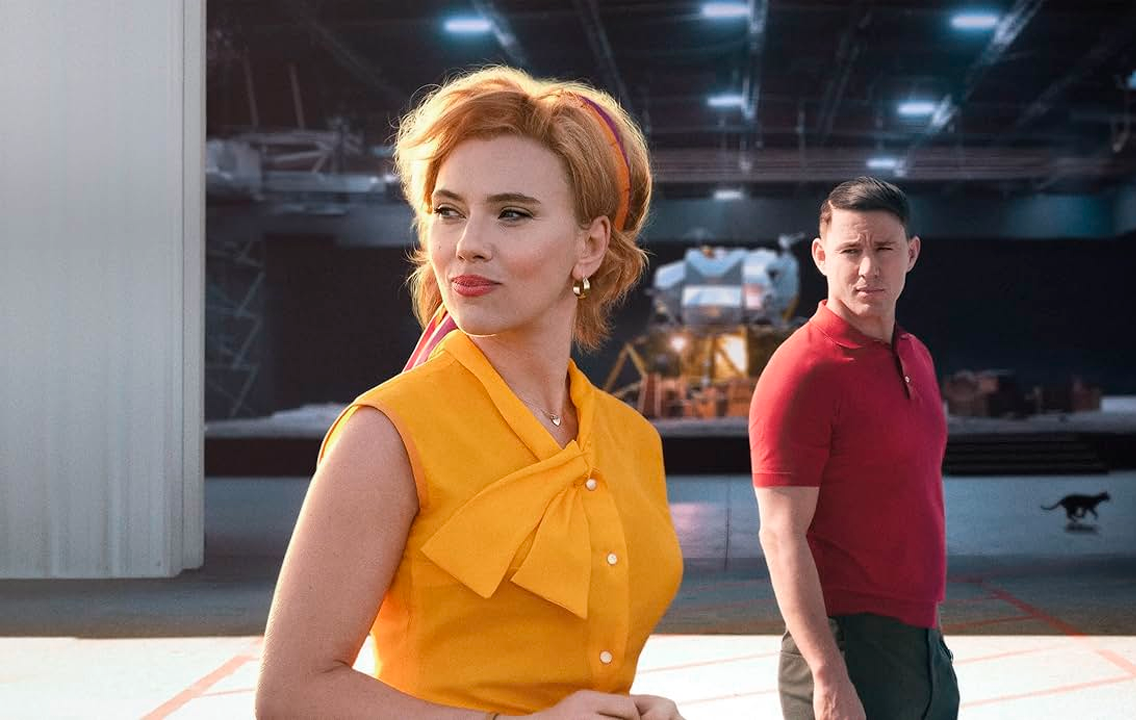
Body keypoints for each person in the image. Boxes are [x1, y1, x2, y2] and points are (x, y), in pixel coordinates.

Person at [256, 66, 685, 720]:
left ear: (591, 245)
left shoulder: (634, 442)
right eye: (448, 212)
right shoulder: (388, 435)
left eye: (512, 214)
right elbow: (292, 695)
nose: (467, 246)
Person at [749, 178, 958, 720]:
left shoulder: (915, 356)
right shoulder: (802, 371)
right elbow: (780, 534)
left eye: (884, 248)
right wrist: (827, 673)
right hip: (846, 649)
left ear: (911, 254)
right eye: (850, 250)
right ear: (821, 256)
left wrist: (930, 645)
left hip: (923, 644)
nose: (869, 268)